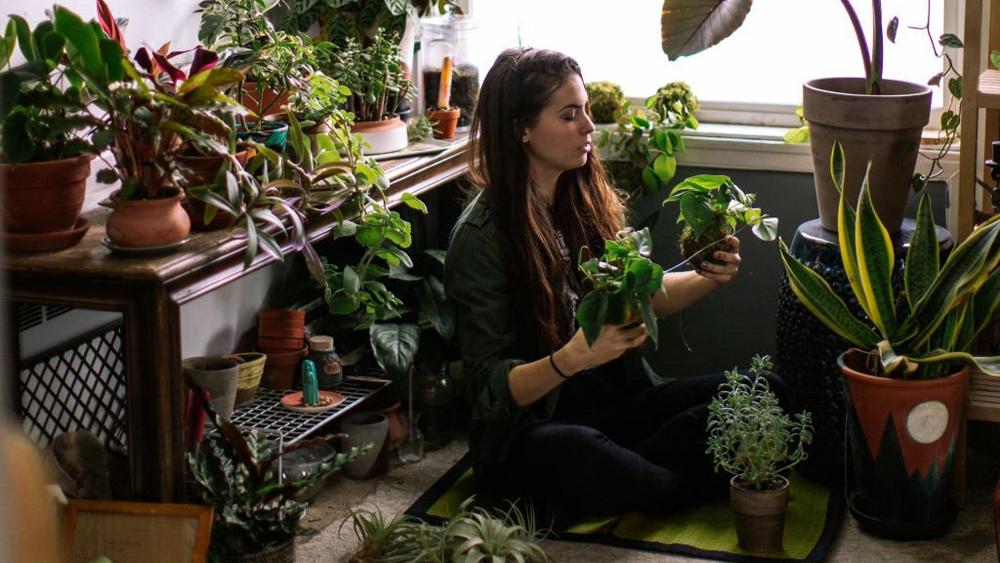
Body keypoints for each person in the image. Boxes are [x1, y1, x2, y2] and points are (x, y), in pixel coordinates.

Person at [443, 47, 780, 517]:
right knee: (579, 448)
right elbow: (487, 393)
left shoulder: (580, 197)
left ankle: (644, 479)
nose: (588, 128)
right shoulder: (481, 239)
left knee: (765, 390)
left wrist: (709, 277)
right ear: (521, 128)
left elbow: (641, 297)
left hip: (615, 406)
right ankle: (661, 483)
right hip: (535, 432)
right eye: (569, 115)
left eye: (586, 111)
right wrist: (573, 357)